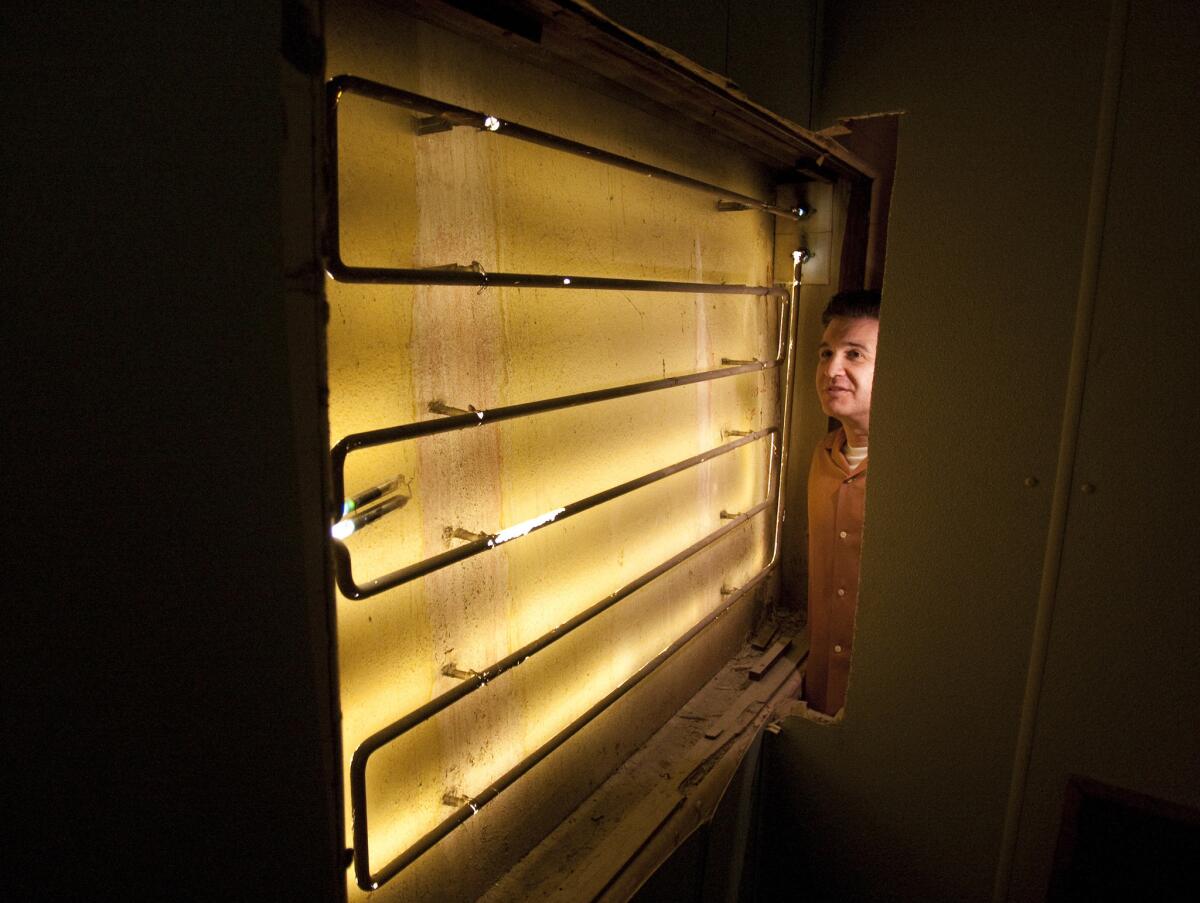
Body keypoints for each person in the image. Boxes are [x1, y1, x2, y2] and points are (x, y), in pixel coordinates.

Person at [803, 289, 880, 716]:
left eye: (854, 355)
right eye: (826, 353)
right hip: (821, 694)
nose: (832, 369)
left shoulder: (919, 476)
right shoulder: (824, 458)